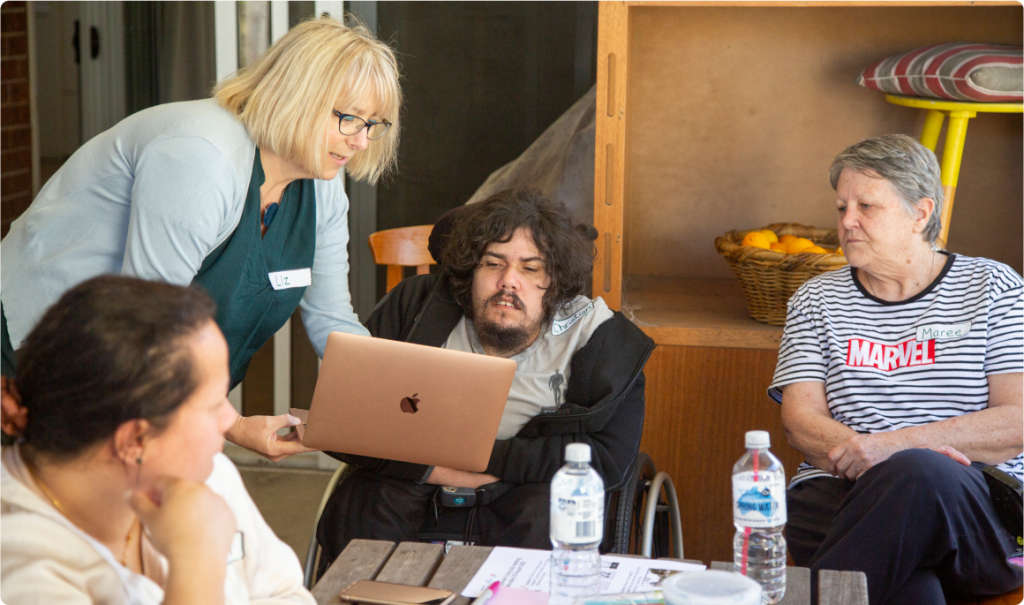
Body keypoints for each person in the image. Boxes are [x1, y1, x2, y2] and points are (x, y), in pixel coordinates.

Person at [0, 17, 401, 460]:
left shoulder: (321, 186)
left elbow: (332, 319)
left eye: (373, 124)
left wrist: (394, 404)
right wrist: (232, 424)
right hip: (35, 345)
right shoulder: (202, 156)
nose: (362, 141)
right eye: (347, 118)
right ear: (296, 96)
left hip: (139, 375)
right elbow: (146, 323)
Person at [315, 188, 654, 569]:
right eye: (493, 264)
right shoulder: (416, 308)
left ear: (555, 282)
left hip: (526, 496)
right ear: (469, 271)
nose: (509, 282)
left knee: (550, 517)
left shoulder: (600, 340)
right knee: (361, 505)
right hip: (408, 483)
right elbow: (344, 424)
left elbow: (608, 461)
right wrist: (436, 470)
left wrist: (479, 462)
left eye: (531, 268)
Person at [770, 134, 1024, 605]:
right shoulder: (816, 299)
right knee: (914, 592)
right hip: (837, 495)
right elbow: (800, 422)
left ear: (920, 213)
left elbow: (1018, 421)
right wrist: (880, 466)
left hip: (975, 513)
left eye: (867, 206)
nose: (847, 222)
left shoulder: (995, 286)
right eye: (841, 206)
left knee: (919, 471)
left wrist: (893, 449)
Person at [0, 275, 314, 605]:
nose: (228, 421)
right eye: (211, 406)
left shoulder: (206, 472)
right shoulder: (25, 570)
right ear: (135, 440)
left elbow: (286, 593)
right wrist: (197, 561)